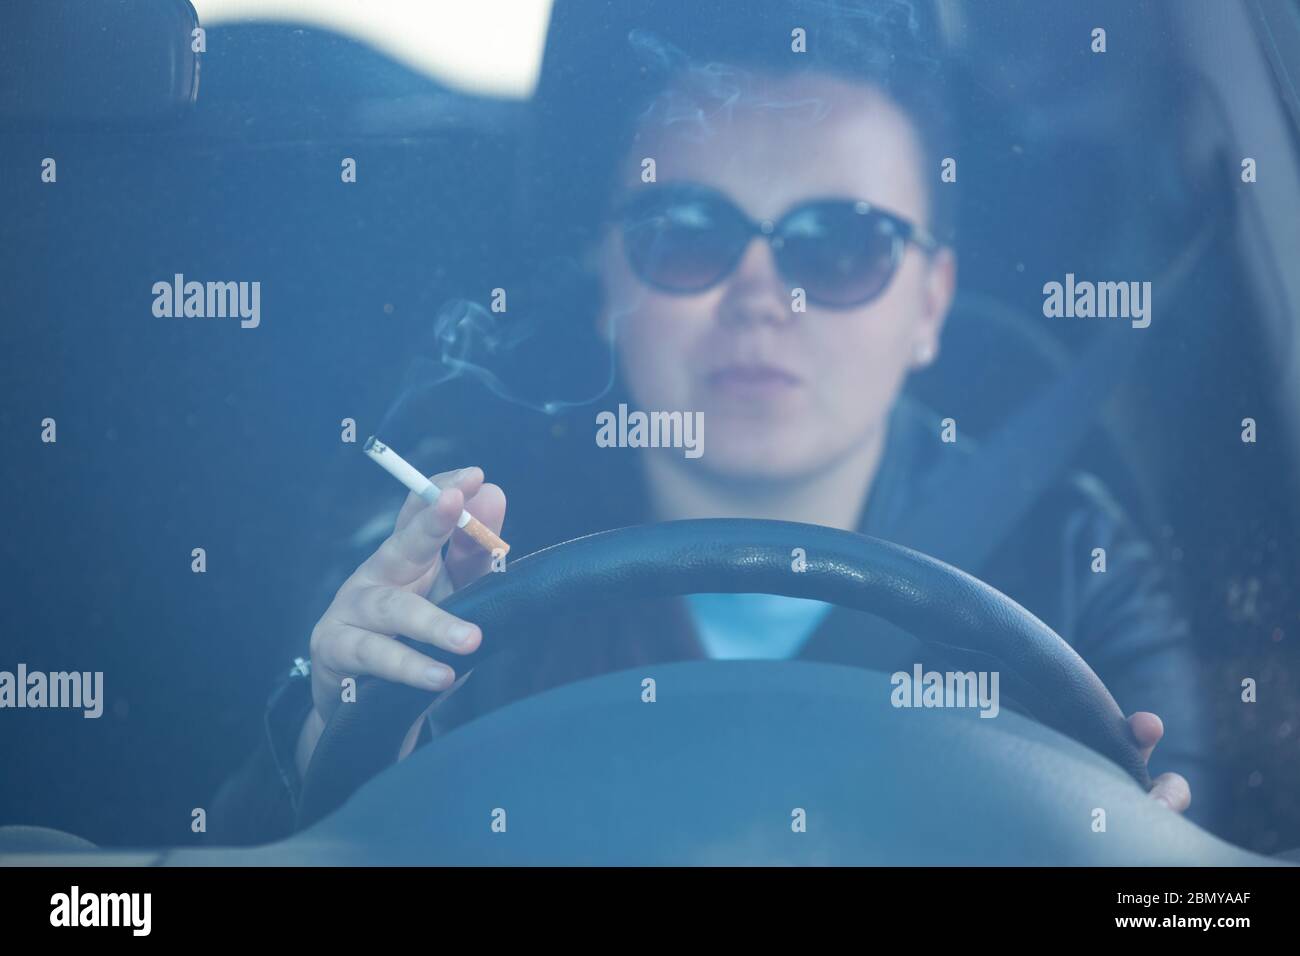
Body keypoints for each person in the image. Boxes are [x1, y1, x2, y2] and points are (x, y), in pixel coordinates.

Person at [206, 0, 1218, 846]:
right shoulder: (454, 560)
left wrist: (1152, 869)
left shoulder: (1070, 558)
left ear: (929, 303)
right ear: (605, 278)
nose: (760, 297)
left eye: (837, 244)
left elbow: (1187, 876)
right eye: (687, 233)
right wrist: (335, 744)